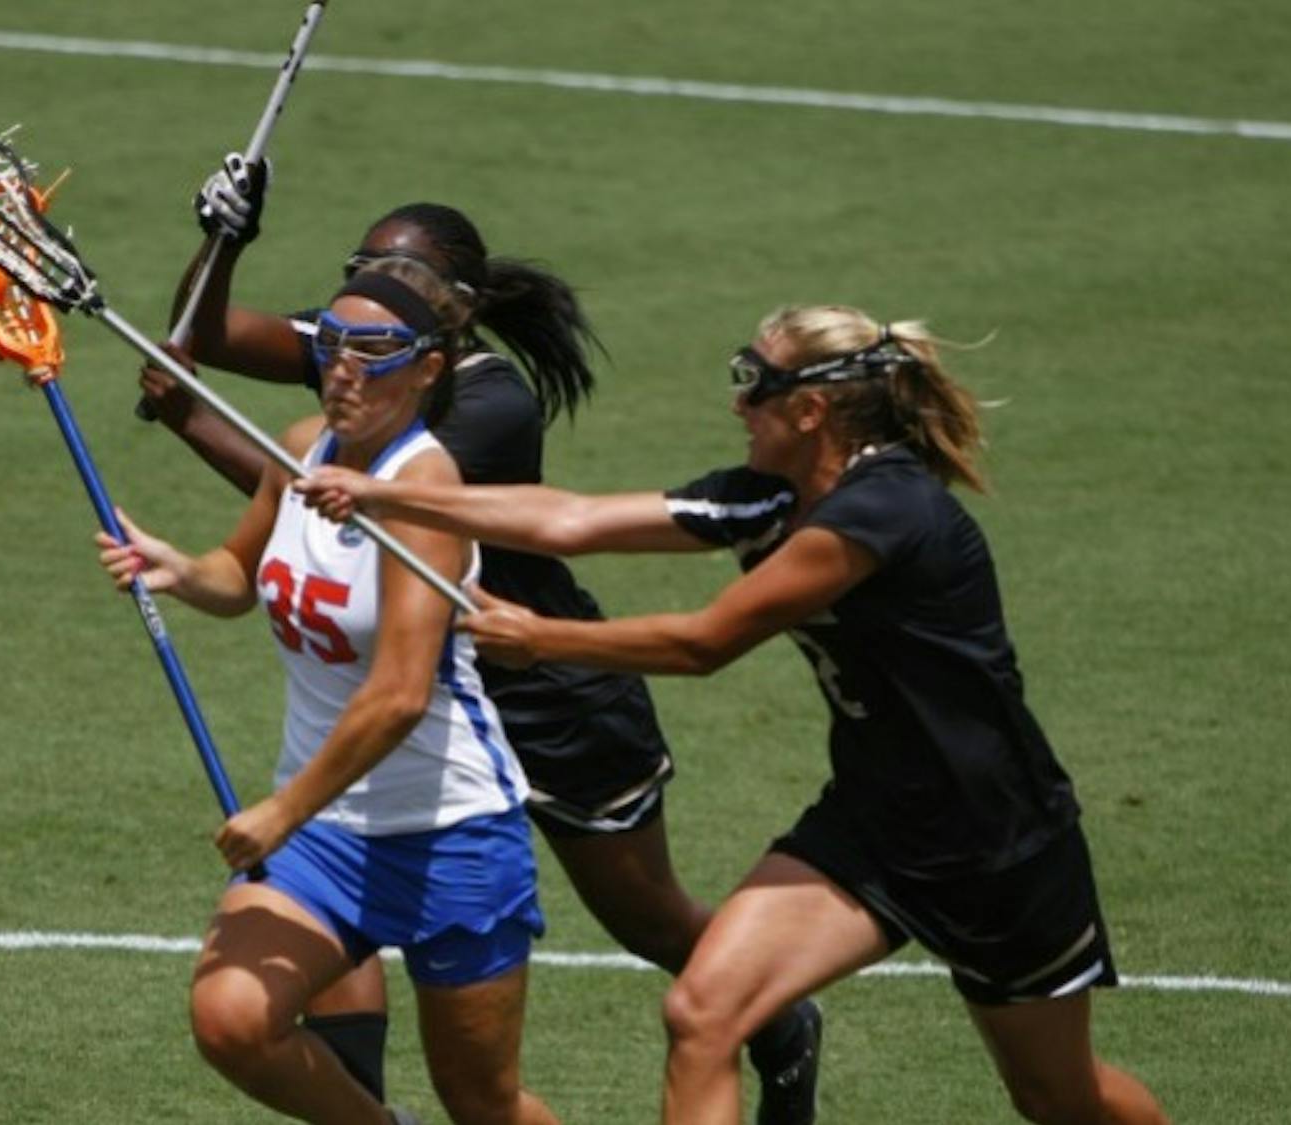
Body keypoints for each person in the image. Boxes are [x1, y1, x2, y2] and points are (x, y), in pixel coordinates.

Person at [298, 303, 1173, 1125]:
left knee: (1057, 1095)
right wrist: (387, 494)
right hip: (872, 824)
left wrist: (543, 638)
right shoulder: (769, 497)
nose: (737, 401)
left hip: (997, 841)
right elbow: (569, 518)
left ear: (812, 410)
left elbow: (705, 642)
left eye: (754, 381)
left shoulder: (882, 511)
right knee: (704, 1011)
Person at [137, 155, 822, 1122]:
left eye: (402, 279)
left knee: (641, 921)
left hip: (545, 692)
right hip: (382, 742)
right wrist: (224, 238)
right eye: (358, 274)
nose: (365, 307)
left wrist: (191, 417)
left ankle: (778, 1015)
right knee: (258, 1004)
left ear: (450, 319)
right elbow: (203, 341)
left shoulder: (481, 411)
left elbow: (349, 506)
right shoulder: (363, 346)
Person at [97, 257, 559, 1125]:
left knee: (483, 1102)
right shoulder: (302, 445)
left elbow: (400, 695)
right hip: (329, 834)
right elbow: (242, 574)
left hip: (450, 833)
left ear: (427, 368)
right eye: (335, 345)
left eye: (374, 352)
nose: (345, 368)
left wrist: (281, 810)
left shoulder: (423, 492)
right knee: (232, 1019)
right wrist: (182, 570)